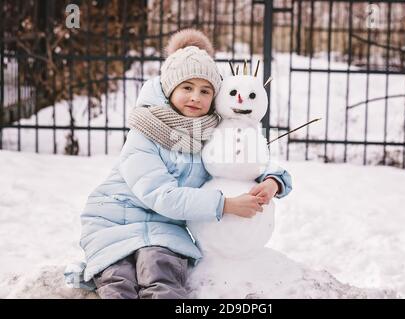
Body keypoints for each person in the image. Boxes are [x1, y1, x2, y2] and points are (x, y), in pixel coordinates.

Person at [70, 29, 292, 299]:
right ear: (169, 89)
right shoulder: (144, 132)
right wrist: (225, 204)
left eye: (205, 90)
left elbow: (245, 157)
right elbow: (161, 195)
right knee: (119, 281)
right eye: (187, 87)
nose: (195, 97)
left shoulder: (211, 133)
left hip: (166, 229)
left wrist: (272, 180)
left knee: (162, 278)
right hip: (114, 222)